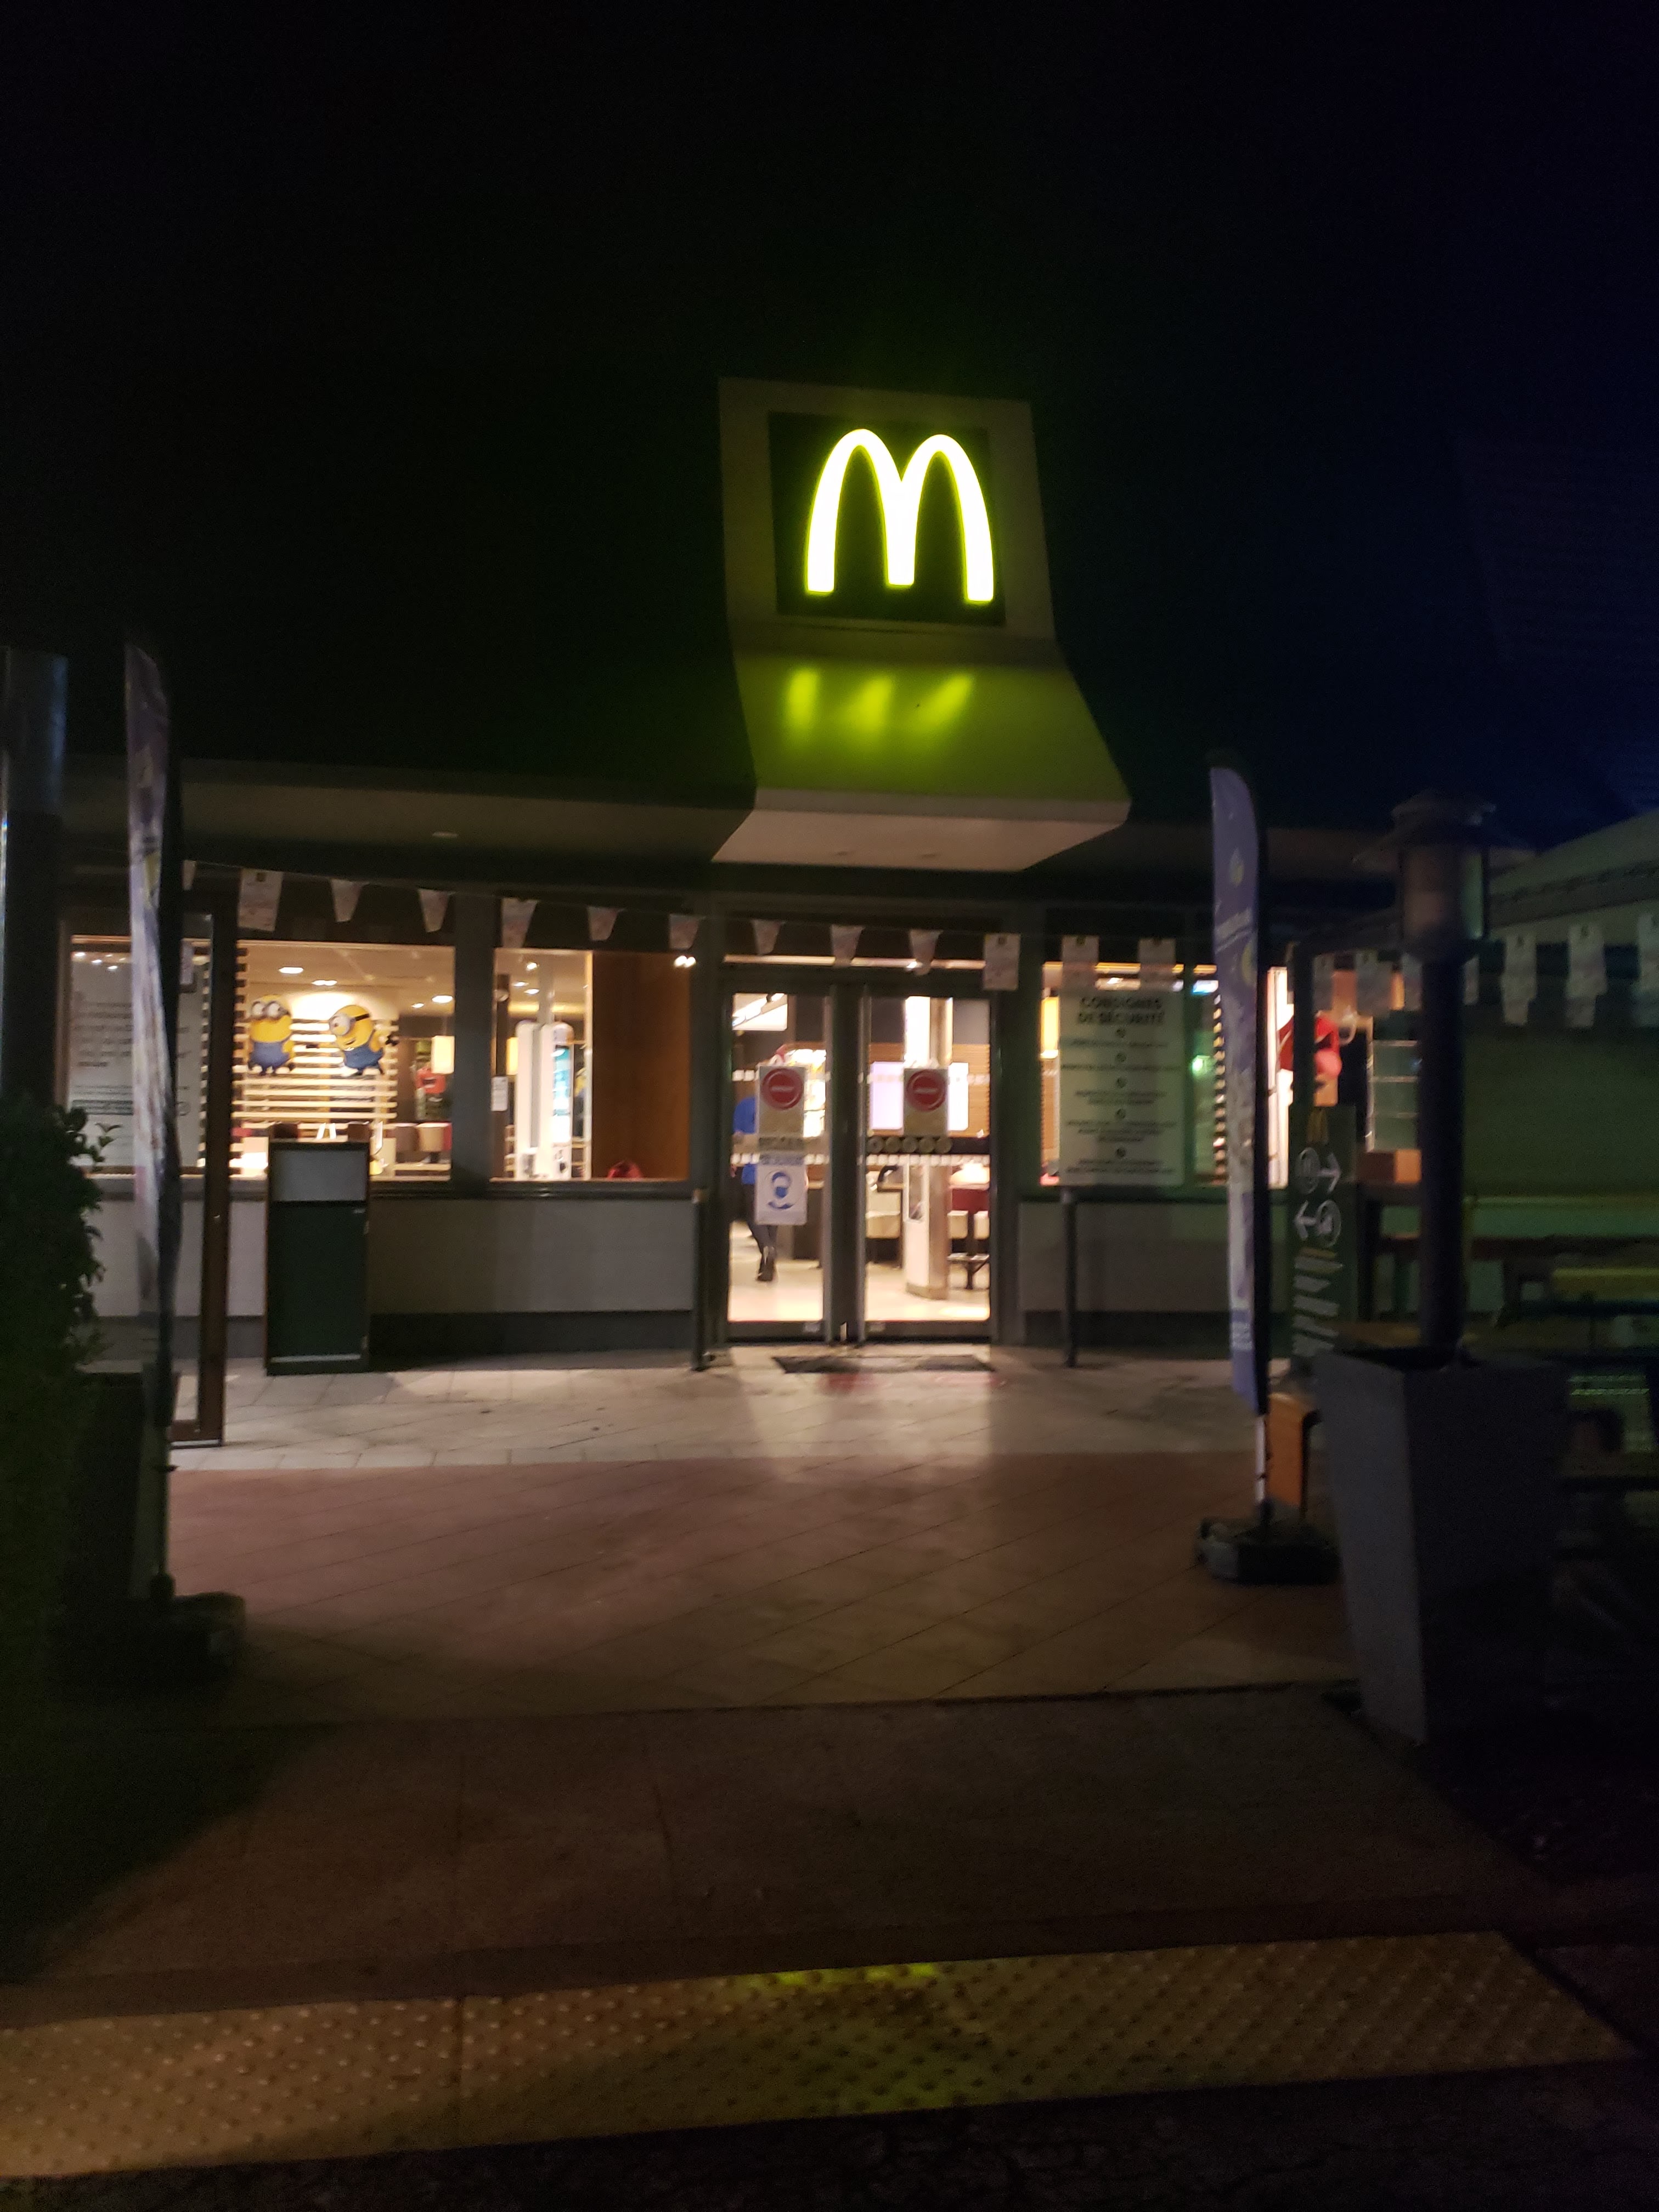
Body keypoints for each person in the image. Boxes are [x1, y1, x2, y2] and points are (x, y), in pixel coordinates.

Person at [731, 1082, 777, 1283]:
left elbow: (737, 1137)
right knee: (772, 1217)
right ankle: (768, 1268)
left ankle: (767, 1248)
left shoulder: (745, 1105)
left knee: (754, 1216)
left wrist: (733, 1160)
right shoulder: (779, 1108)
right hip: (779, 1170)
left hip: (753, 1170)